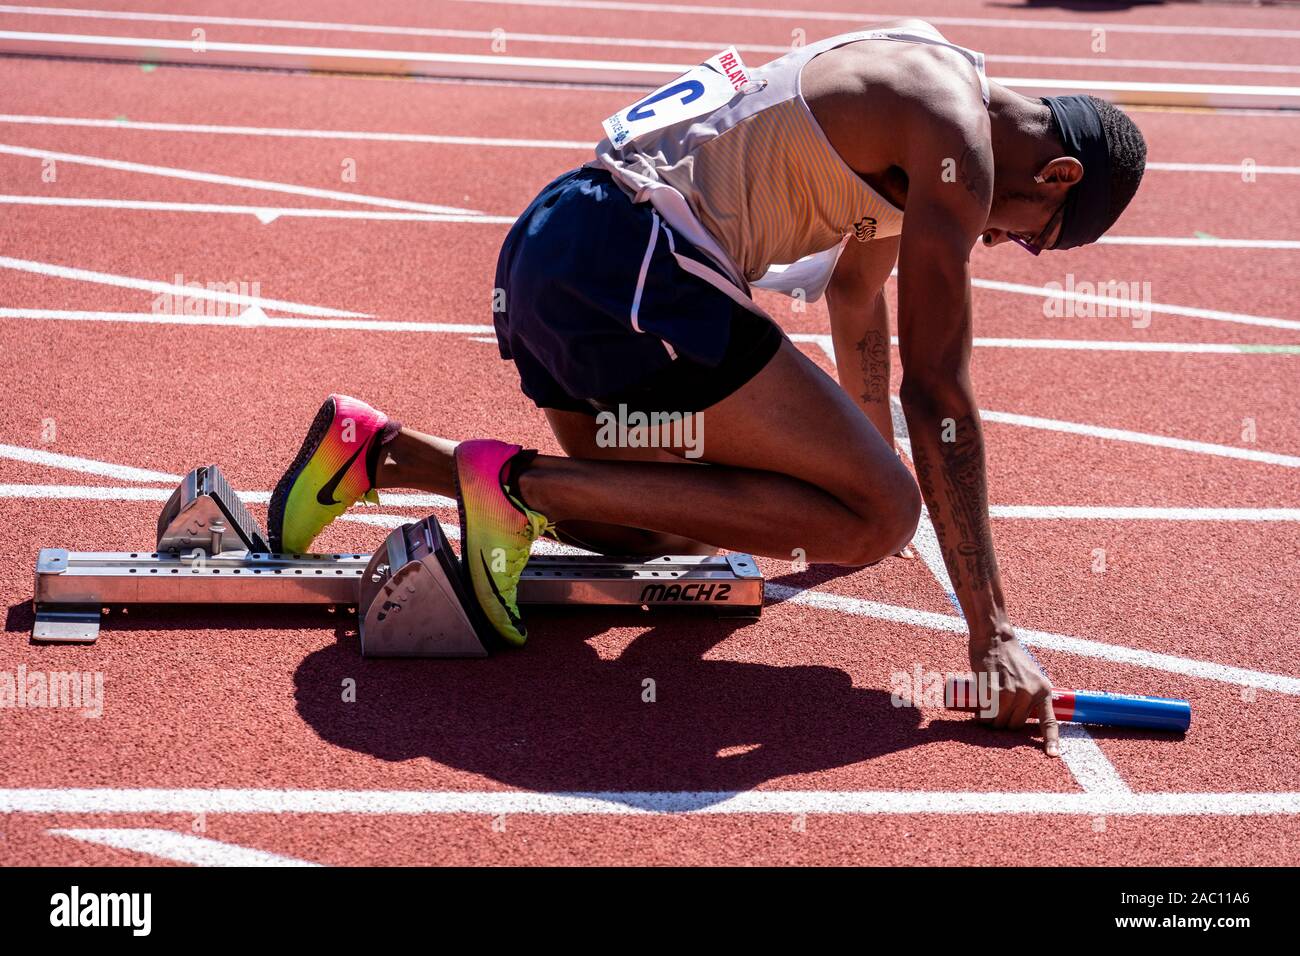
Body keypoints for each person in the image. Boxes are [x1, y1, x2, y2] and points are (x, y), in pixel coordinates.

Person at [268, 20, 1147, 758]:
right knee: (881, 517)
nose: (1002, 244)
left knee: (637, 524)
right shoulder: (957, 141)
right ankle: (517, 487)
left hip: (560, 250)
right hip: (639, 261)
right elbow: (941, 394)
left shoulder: (921, 77)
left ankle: (384, 452)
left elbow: (853, 295)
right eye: (1034, 239)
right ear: (1057, 176)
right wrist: (992, 632)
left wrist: (855, 461)